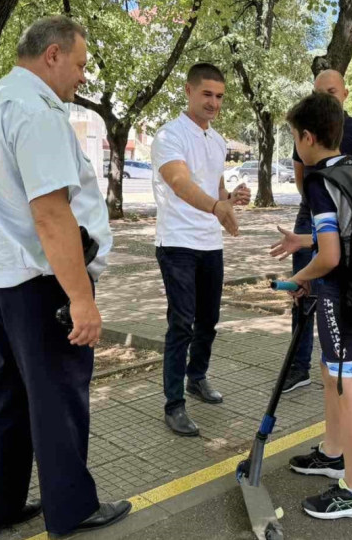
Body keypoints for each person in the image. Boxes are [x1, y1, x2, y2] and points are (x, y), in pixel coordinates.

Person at [0, 16, 130, 539]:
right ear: (52, 55)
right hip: (39, 283)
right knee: (58, 399)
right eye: (79, 64)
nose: (82, 77)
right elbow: (52, 213)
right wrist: (82, 298)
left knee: (6, 399)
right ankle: (72, 509)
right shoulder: (36, 111)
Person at [284, 91, 352, 520]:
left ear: (307, 137)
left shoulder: (321, 181)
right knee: (332, 373)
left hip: (339, 296)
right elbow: (342, 235)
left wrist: (297, 278)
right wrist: (302, 241)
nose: (295, 147)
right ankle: (334, 452)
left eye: (294, 138)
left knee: (348, 382)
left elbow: (330, 258)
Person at [151, 63, 252, 436]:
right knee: (181, 323)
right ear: (189, 92)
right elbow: (179, 183)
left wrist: (231, 198)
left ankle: (197, 377)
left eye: (220, 96)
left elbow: (216, 189)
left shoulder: (218, 140)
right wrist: (216, 205)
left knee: (207, 319)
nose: (214, 102)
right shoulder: (169, 136)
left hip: (210, 243)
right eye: (207, 94)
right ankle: (173, 404)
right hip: (177, 243)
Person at [268, 70, 352, 394]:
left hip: (342, 220)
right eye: (318, 92)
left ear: (345, 93)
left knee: (342, 371)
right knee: (303, 292)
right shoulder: (309, 143)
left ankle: (341, 362)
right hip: (316, 213)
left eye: (330, 91)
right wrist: (311, 231)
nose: (324, 98)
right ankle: (300, 366)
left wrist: (333, 212)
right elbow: (302, 177)